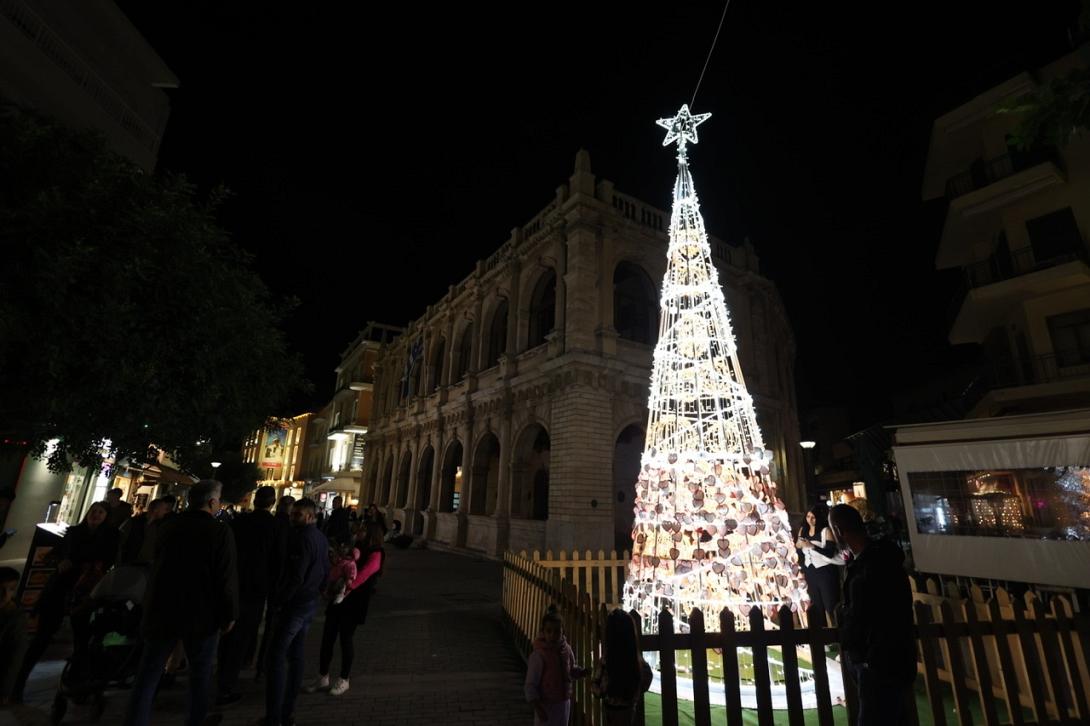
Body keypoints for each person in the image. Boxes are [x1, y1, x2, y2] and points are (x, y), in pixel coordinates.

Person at [123, 480, 238, 726]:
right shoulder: (219, 531)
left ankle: (135, 720)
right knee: (200, 674)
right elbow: (225, 576)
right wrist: (229, 613)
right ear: (211, 502)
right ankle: (195, 720)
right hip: (201, 613)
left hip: (162, 607)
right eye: (218, 500)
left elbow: (153, 561)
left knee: (148, 674)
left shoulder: (168, 526)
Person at [12, 501, 119, 702]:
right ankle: (18, 684)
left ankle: (76, 685)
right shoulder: (73, 532)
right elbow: (56, 553)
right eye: (93, 511)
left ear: (106, 516)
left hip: (85, 592)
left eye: (100, 512)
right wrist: (59, 560)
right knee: (43, 636)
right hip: (61, 587)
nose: (95, 515)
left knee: (81, 640)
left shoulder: (111, 536)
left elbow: (108, 559)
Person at [829, 503, 915, 726]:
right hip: (883, 659)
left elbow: (871, 614)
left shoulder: (871, 566)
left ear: (839, 530)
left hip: (878, 663)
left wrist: (867, 657)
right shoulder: (871, 562)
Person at [254, 498, 329, 726]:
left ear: (309, 516)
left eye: (297, 515)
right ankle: (287, 713)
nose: (291, 518)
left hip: (294, 605)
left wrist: (279, 600)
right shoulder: (321, 538)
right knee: (295, 656)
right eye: (292, 514)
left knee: (275, 657)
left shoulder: (302, 539)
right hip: (309, 602)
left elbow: (296, 576)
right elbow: (326, 569)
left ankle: (275, 716)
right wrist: (320, 591)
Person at [217, 485, 280, 706]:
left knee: (228, 631)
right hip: (257, 587)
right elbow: (277, 560)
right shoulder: (274, 526)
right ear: (272, 502)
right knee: (243, 633)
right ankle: (226, 685)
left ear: (254, 501)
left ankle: (220, 673)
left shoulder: (238, 523)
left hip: (233, 583)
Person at [304, 522, 384, 697]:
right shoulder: (354, 548)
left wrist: (347, 587)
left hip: (354, 601)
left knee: (345, 639)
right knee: (327, 638)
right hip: (338, 599)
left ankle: (344, 678)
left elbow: (364, 574)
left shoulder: (376, 552)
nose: (359, 532)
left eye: (363, 529)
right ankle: (322, 676)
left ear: (371, 533)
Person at [254, 494, 295, 679]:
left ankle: (244, 661)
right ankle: (263, 665)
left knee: (246, 623)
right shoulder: (285, 526)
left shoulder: (245, 521)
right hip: (275, 582)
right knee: (272, 625)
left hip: (251, 581)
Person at [524, 604, 586, 726]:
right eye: (549, 631)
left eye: (557, 631)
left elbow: (570, 670)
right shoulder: (539, 655)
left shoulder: (566, 650)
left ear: (563, 631)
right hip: (546, 704)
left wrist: (580, 672)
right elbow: (531, 684)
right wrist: (537, 706)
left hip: (564, 703)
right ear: (543, 632)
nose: (553, 635)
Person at [590, 609, 653, 725]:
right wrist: (637, 692)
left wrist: (602, 692)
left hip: (610, 709)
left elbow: (596, 686)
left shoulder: (606, 661)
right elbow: (647, 678)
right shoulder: (636, 660)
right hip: (629, 708)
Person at [795, 506, 844, 625]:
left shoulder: (825, 531)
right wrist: (800, 544)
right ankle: (823, 636)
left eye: (813, 517)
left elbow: (830, 553)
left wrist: (813, 546)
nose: (810, 520)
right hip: (810, 572)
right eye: (808, 516)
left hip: (825, 572)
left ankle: (836, 634)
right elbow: (798, 547)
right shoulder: (803, 530)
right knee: (817, 606)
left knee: (830, 604)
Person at [0, 567, 28, 706]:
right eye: (1, 589)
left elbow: (16, 655)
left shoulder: (15, 617)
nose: (5, 595)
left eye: (10, 590)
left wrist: (5, 690)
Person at [119, 497, 173, 564]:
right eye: (164, 509)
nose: (165, 512)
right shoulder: (132, 522)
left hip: (144, 565)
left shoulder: (157, 526)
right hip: (128, 563)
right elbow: (119, 543)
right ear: (155, 510)